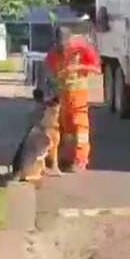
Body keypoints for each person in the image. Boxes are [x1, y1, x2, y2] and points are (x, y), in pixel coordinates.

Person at [45, 26, 101, 172]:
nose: (63, 51)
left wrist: (78, 67)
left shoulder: (82, 48)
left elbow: (96, 69)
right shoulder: (53, 54)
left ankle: (81, 159)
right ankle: (68, 157)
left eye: (65, 47)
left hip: (79, 91)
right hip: (63, 93)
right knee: (67, 127)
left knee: (80, 126)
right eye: (60, 48)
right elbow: (50, 72)